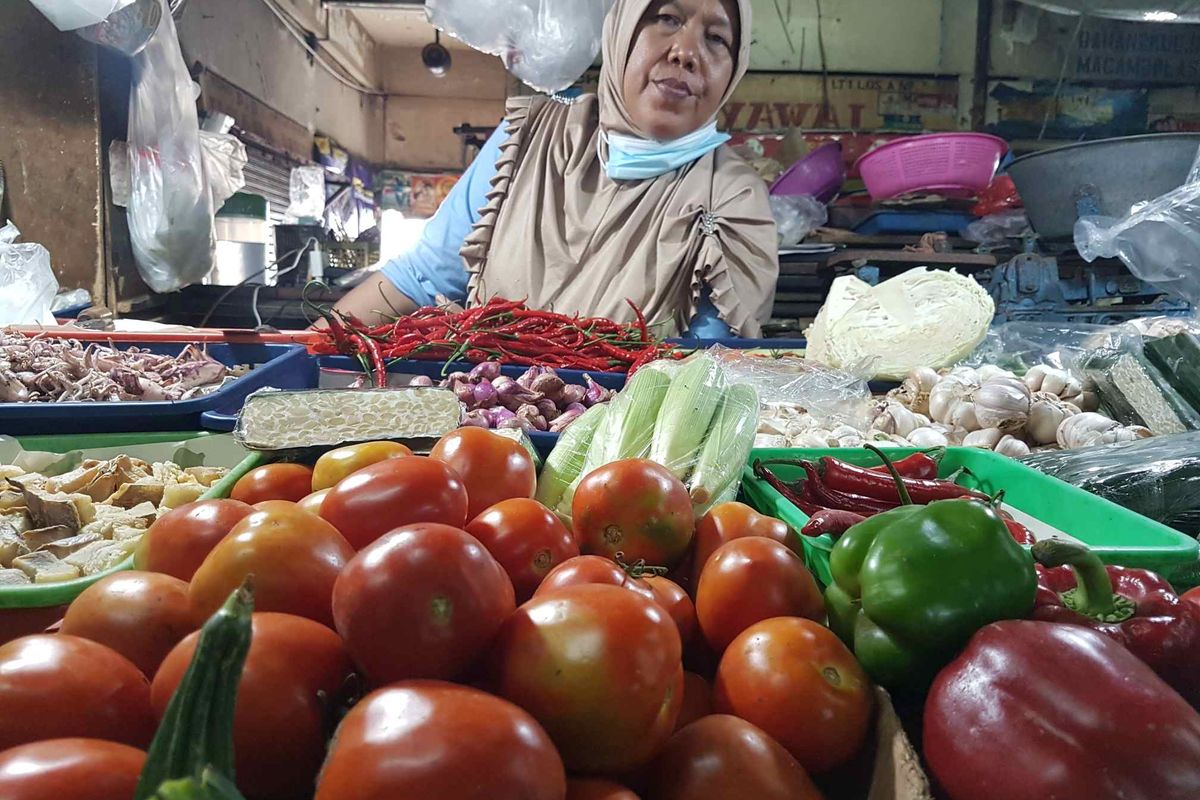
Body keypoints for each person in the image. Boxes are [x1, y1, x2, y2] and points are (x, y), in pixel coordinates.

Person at [331, 0, 778, 338]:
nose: (686, 52)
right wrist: (310, 348)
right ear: (620, 30)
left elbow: (707, 374)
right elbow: (419, 279)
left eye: (716, 39)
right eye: (666, 18)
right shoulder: (525, 140)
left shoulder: (733, 198)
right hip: (484, 435)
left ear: (733, 70)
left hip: (630, 456)